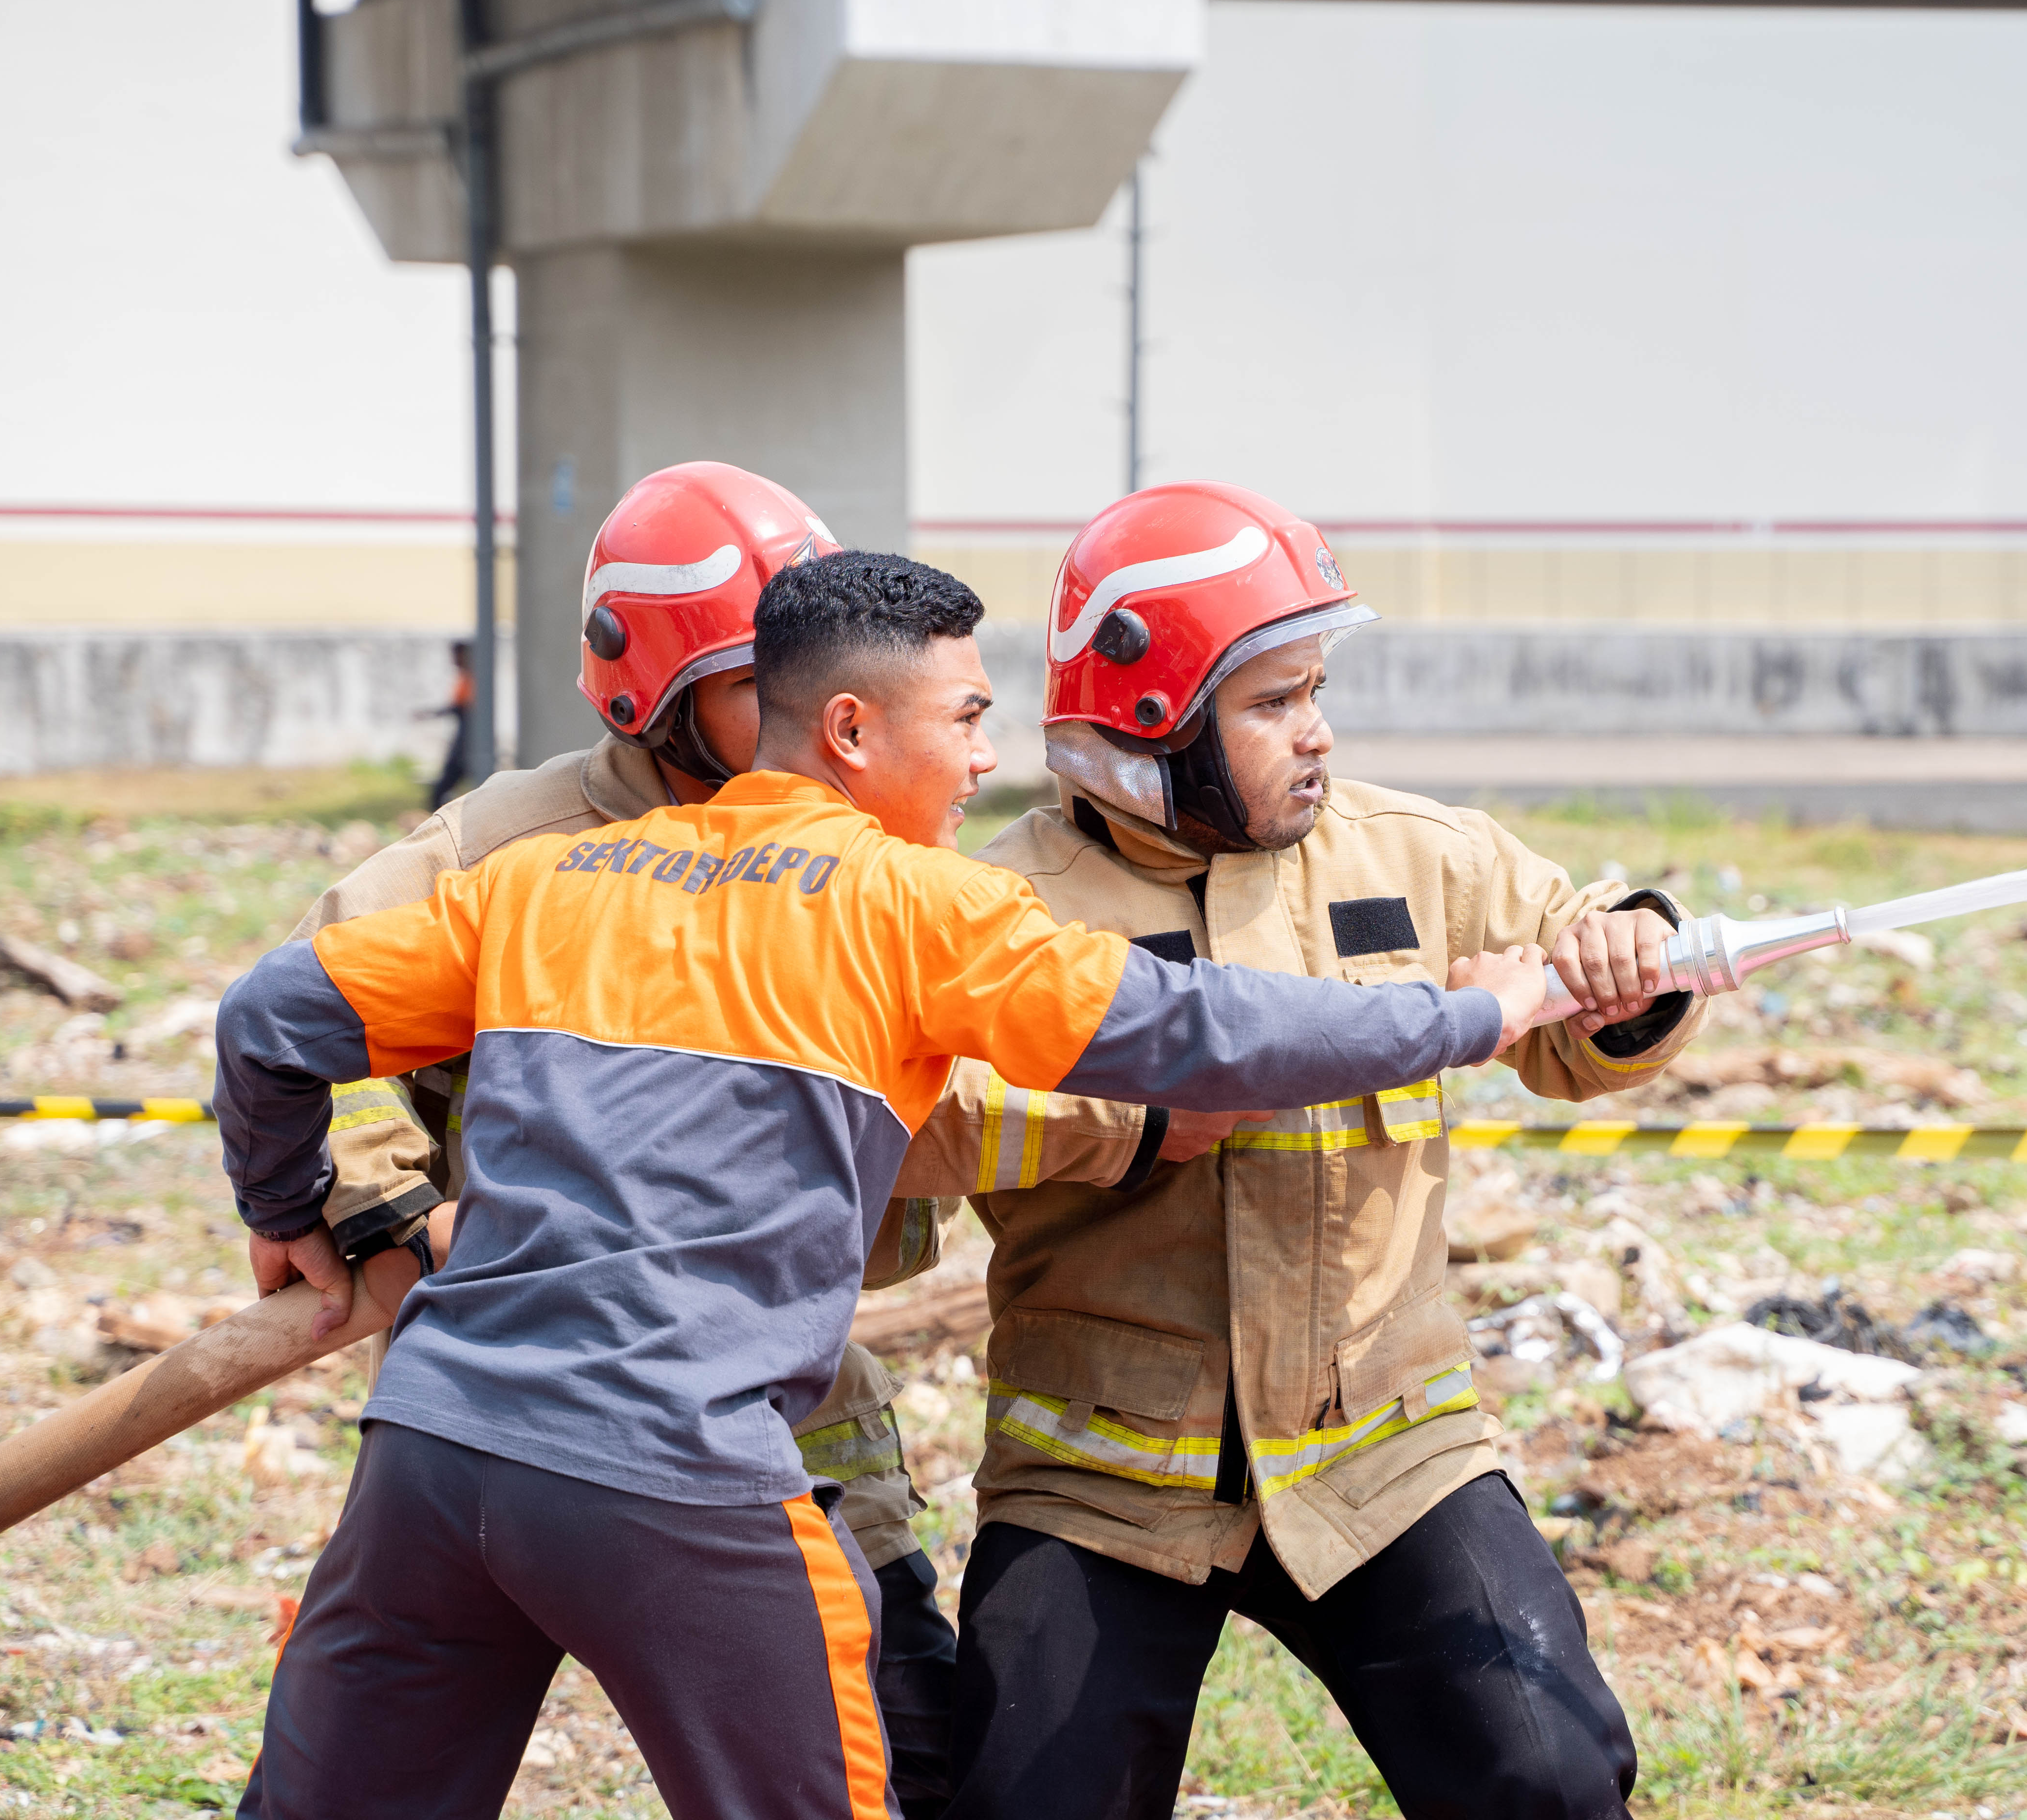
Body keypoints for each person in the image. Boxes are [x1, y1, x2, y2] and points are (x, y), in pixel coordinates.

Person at [213, 547, 1560, 1820]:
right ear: (852, 731)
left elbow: (269, 1020)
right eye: (966, 718)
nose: (987, 757)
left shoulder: (542, 881)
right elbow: (1207, 1031)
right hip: (680, 1475)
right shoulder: (914, 909)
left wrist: (283, 1208)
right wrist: (1471, 1018)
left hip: (432, 1461)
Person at [895, 483, 1706, 1820]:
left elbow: (1579, 982)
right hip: (1104, 1482)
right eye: (1273, 703)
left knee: (1551, 1780)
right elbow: (917, 1119)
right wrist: (1142, 1114)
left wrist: (1634, 958)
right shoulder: (996, 908)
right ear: (1155, 719)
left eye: (1317, 690)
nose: (1317, 731)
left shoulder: (1421, 856)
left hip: (1387, 1459)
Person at [280, 462, 967, 1815]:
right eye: (759, 680)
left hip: (786, 1399)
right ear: (651, 691)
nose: (811, 706)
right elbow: (303, 1016)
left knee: (913, 1749)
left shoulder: (867, 843)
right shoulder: (504, 846)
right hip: (536, 1388)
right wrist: (388, 1212)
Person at [423, 638, 478, 809]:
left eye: (457, 656)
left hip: (469, 738)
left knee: (450, 777)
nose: (454, 660)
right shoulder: (465, 677)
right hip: (464, 734)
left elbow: (463, 708)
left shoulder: (474, 678)